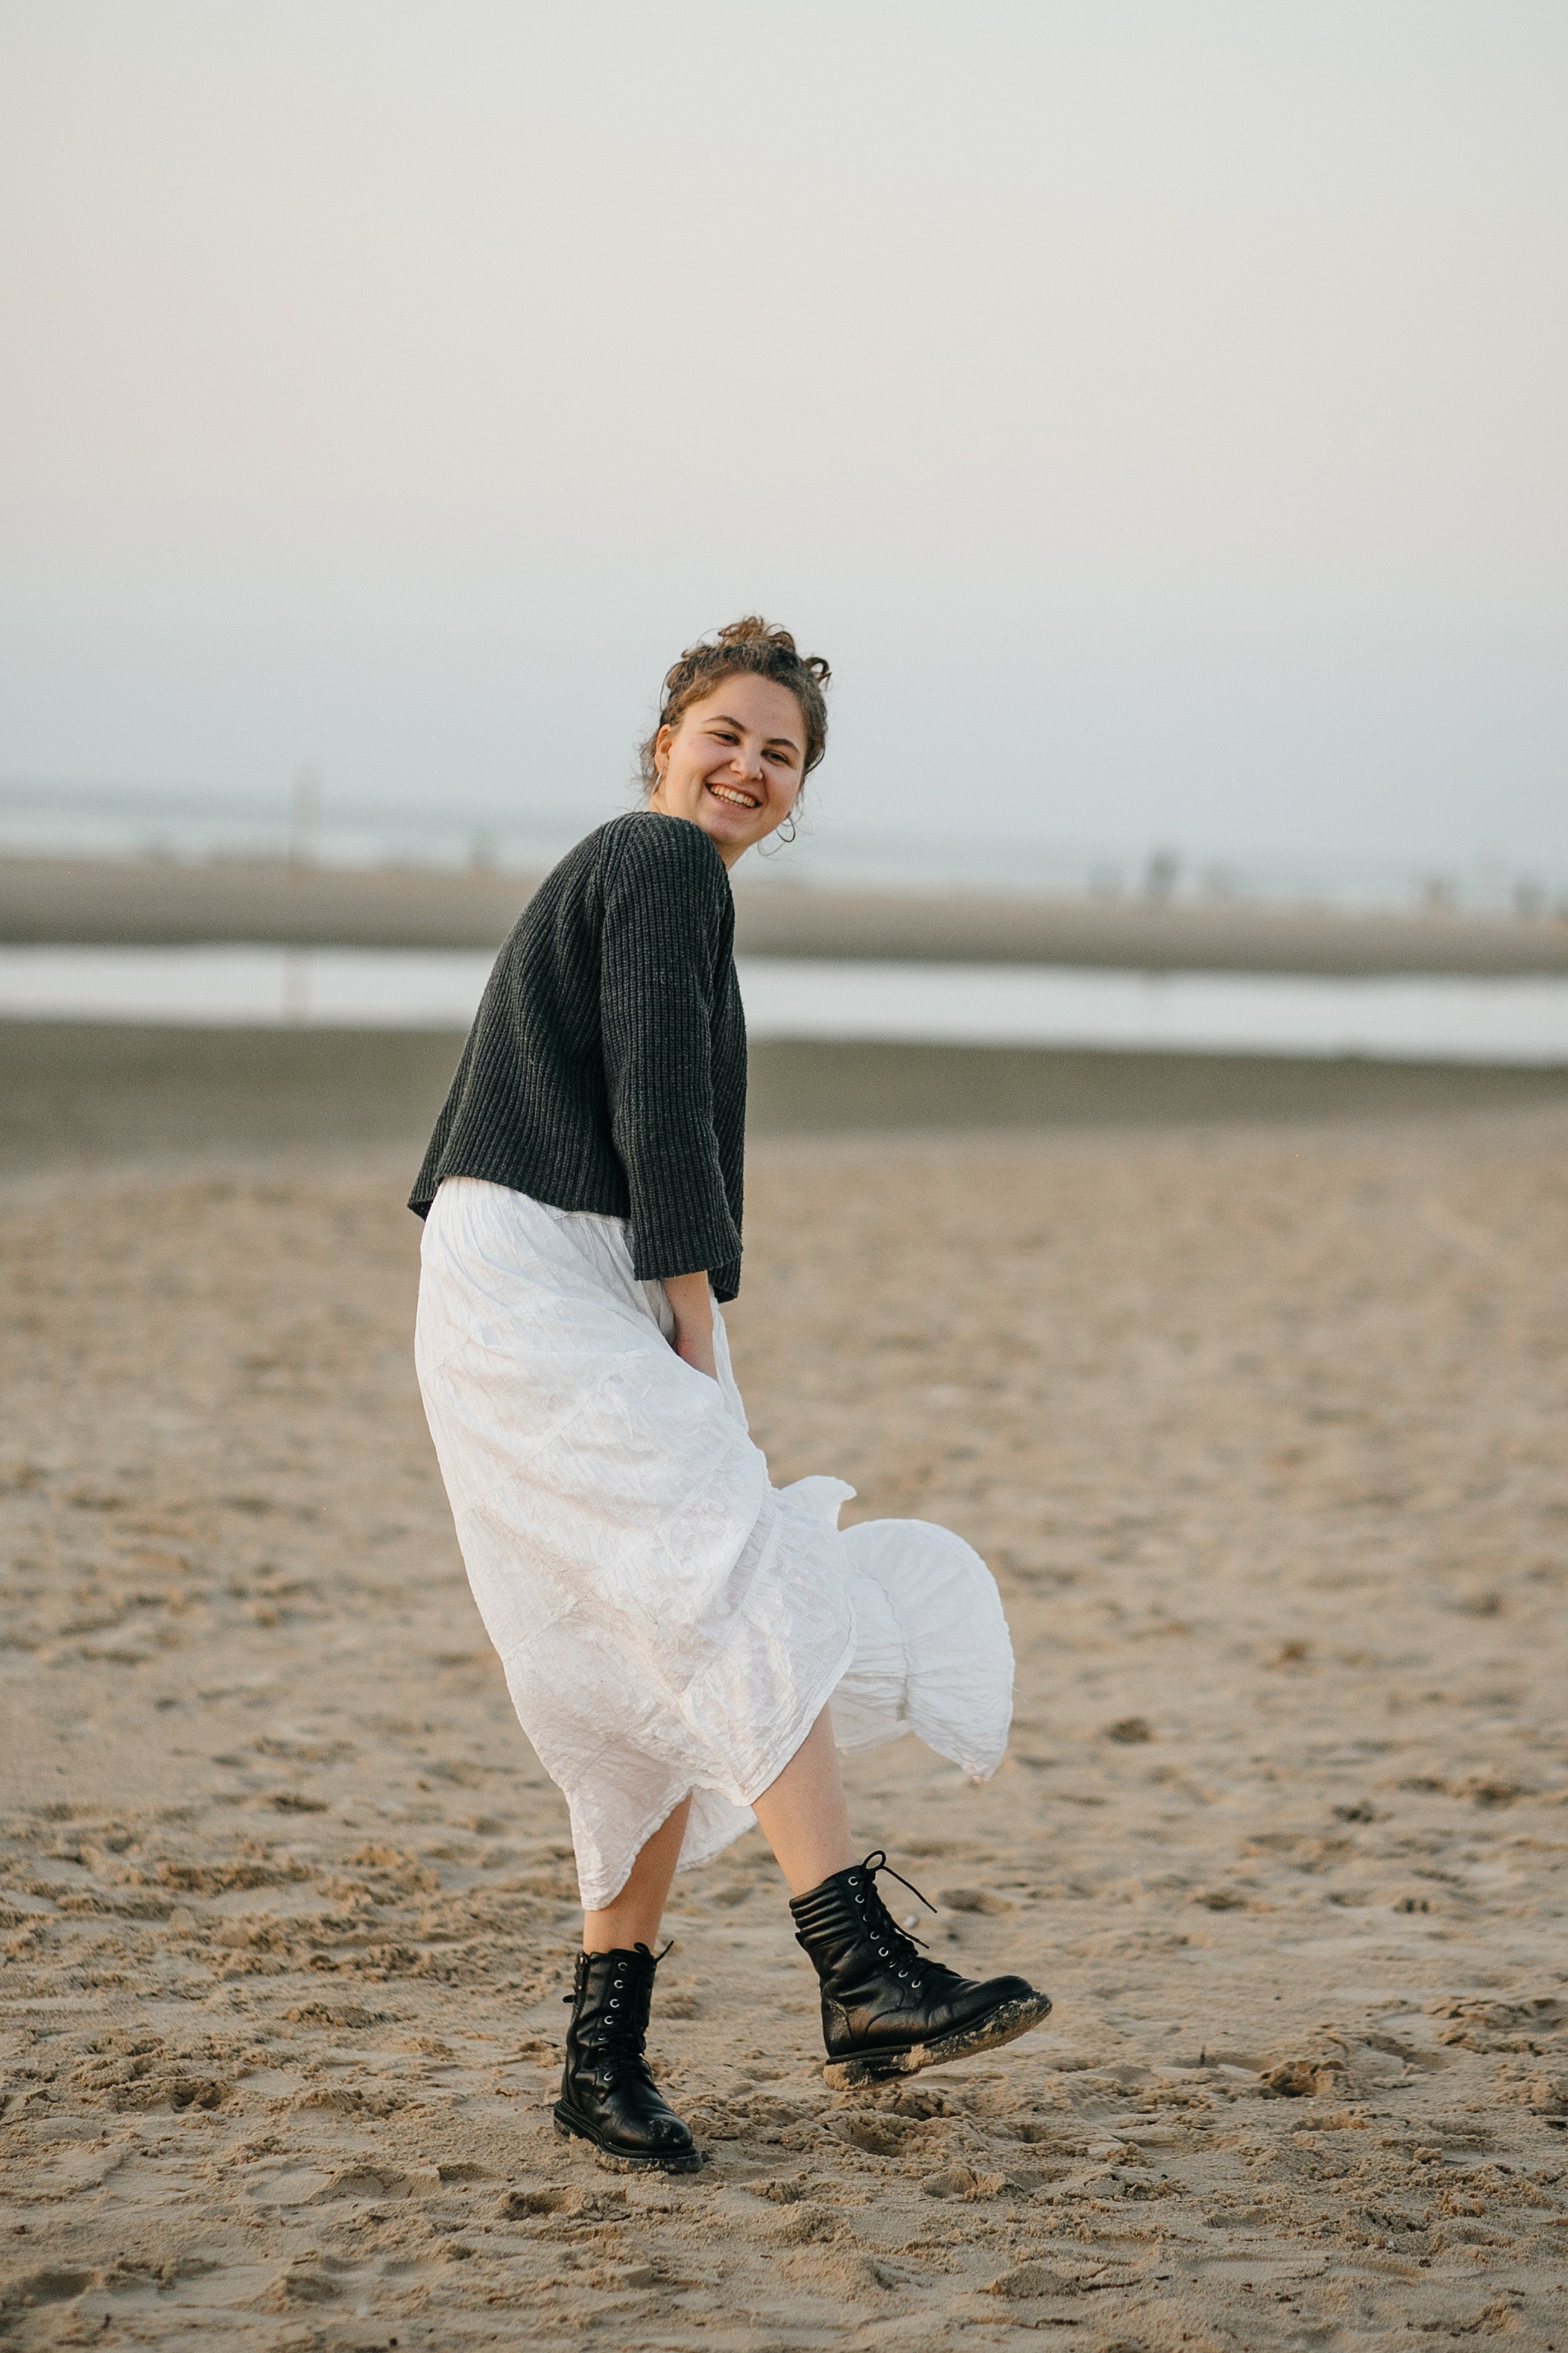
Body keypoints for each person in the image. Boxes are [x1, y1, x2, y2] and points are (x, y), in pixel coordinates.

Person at [410, 618, 1050, 2175]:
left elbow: (649, 1101)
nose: (749, 767)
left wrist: (674, 1296)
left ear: (798, 789)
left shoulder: (662, 877)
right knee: (726, 1577)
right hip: (549, 1272)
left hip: (553, 1268)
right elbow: (656, 1096)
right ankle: (858, 1966)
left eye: (781, 753)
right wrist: (694, 1307)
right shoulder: (658, 859)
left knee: (647, 1646)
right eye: (725, 735)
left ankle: (603, 2058)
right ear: (663, 746)